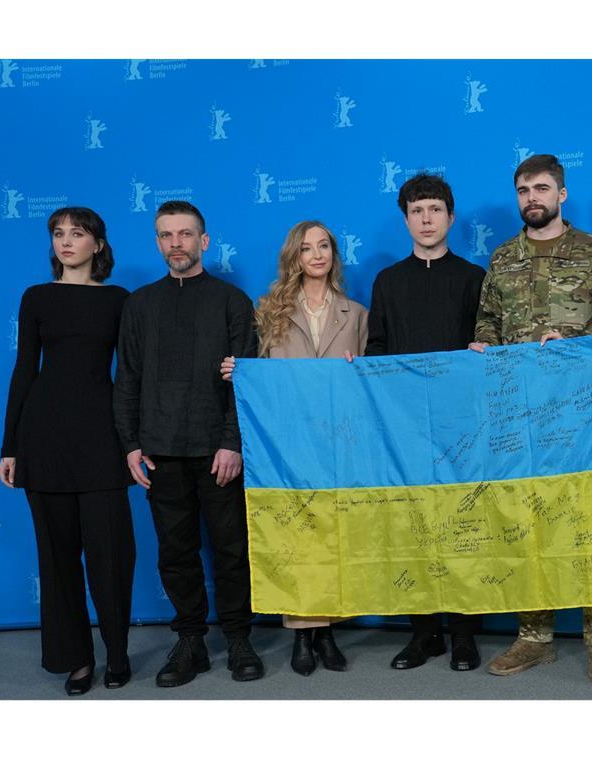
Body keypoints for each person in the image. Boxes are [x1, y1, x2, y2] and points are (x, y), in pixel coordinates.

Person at [471, 153, 592, 683]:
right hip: (517, 416)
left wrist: (586, 345)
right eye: (522, 190)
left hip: (581, 416)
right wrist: (483, 346)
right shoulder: (502, 259)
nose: (531, 198)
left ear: (561, 194)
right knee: (524, 518)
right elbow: (487, 323)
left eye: (541, 188)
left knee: (585, 519)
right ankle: (534, 636)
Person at [114, 200, 263, 687]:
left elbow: (247, 381)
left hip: (217, 450)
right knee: (174, 552)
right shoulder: (139, 305)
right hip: (159, 451)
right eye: (165, 235)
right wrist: (131, 444)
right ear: (157, 243)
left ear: (205, 241)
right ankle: (191, 640)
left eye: (185, 234)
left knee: (230, 549)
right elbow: (128, 379)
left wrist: (232, 442)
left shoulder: (232, 302)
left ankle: (240, 638)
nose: (175, 243)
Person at [0, 207, 136, 697]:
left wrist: (133, 441)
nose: (66, 241)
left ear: (98, 244)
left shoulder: (120, 300)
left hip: (102, 438)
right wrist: (10, 446)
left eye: (78, 234)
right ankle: (76, 659)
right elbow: (23, 370)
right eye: (59, 233)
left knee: (112, 553)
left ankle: (117, 653)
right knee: (57, 559)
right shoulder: (36, 297)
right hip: (44, 438)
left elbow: (133, 374)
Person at [221, 220, 368, 676]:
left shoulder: (357, 314)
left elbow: (368, 383)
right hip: (285, 444)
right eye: (307, 248)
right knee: (294, 536)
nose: (317, 255)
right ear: (295, 258)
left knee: (333, 534)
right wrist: (237, 370)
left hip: (338, 441)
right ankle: (302, 635)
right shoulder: (269, 311)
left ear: (333, 255)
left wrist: (356, 369)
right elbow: (259, 375)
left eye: (324, 246)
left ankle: (326, 632)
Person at [365, 173, 487, 671]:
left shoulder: (474, 278)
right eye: (417, 211)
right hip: (405, 428)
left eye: (435, 209)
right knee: (412, 527)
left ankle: (462, 633)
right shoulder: (388, 281)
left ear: (450, 217)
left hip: (462, 426)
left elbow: (488, 346)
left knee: (462, 526)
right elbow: (377, 350)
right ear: (406, 219)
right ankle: (424, 632)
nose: (427, 218)